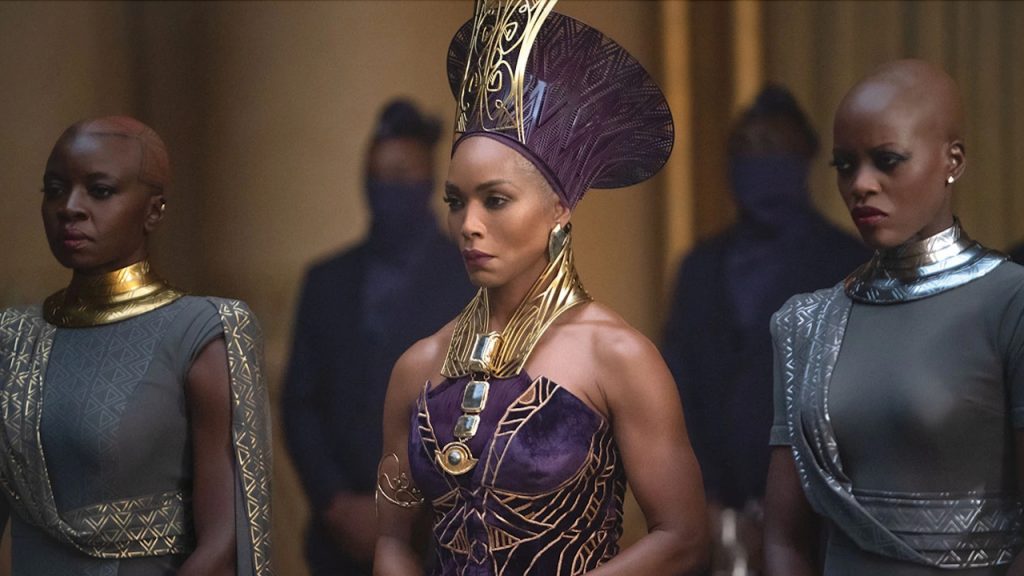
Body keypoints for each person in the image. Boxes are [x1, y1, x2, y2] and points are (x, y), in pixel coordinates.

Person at [374, 2, 709, 575]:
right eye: (455, 201)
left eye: (495, 200)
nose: (468, 224)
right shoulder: (417, 368)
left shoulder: (617, 356)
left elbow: (683, 537)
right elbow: (393, 541)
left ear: (559, 207)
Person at [764, 59, 1024, 575]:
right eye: (845, 165)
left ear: (953, 160)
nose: (861, 184)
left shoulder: (1011, 303)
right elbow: (784, 538)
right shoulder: (806, 324)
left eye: (887, 161)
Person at [0, 116, 273, 575]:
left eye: (100, 191)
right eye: (55, 189)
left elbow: (225, 538)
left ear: (154, 211)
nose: (70, 207)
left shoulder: (200, 331)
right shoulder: (13, 338)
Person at [661, 85, 866, 555]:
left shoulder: (849, 265)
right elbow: (675, 388)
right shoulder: (699, 267)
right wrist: (705, 499)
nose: (755, 158)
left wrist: (790, 511)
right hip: (712, 525)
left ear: (805, 157)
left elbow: (857, 405)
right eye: (743, 147)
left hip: (820, 529)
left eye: (771, 145)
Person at [282, 99, 473, 575]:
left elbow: (483, 404)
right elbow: (299, 402)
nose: (387, 188)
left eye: (401, 174)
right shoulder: (326, 280)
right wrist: (334, 502)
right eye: (376, 175)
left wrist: (414, 514)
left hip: (443, 540)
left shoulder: (469, 279)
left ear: (429, 181)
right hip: (338, 541)